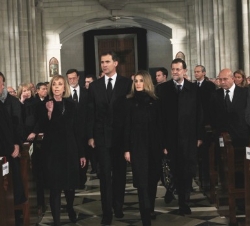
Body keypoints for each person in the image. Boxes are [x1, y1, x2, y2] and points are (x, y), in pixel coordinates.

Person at [88, 51, 132, 225]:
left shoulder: (126, 83)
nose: (104, 65)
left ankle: (118, 205)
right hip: (102, 137)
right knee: (105, 175)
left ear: (115, 63)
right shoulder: (95, 86)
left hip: (120, 138)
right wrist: (91, 136)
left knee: (120, 174)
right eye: (102, 62)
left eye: (107, 62)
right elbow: (91, 113)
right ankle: (107, 211)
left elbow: (129, 113)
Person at [156, 58, 203, 215]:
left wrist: (199, 136)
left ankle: (184, 202)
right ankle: (172, 188)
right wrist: (162, 142)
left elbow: (199, 114)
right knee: (174, 169)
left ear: (184, 71)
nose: (175, 72)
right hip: (170, 138)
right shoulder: (164, 89)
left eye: (178, 69)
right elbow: (160, 118)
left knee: (187, 170)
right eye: (173, 69)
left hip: (188, 137)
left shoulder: (193, 89)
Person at [38, 75, 86, 225]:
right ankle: (57, 220)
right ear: (51, 88)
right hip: (52, 151)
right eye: (54, 84)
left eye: (60, 84)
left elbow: (77, 130)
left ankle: (70, 207)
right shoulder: (45, 104)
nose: (57, 87)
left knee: (70, 186)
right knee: (55, 187)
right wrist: (49, 113)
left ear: (64, 87)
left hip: (70, 149)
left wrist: (81, 153)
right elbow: (43, 127)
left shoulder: (71, 104)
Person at [124, 70, 163, 226]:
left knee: (152, 179)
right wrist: (127, 149)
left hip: (154, 147)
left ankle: (150, 207)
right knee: (141, 182)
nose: (138, 83)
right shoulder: (130, 102)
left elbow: (161, 126)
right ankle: (145, 214)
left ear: (147, 82)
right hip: (137, 147)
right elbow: (127, 127)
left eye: (141, 80)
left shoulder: (155, 102)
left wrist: (164, 146)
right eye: (136, 81)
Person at [211, 68, 249, 147]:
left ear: (232, 78)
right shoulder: (215, 95)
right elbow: (212, 114)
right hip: (222, 136)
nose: (222, 82)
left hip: (242, 136)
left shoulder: (245, 93)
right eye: (220, 79)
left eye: (225, 79)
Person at [194, 65, 216, 191]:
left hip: (207, 122)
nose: (196, 74)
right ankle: (200, 178)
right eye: (195, 72)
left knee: (206, 154)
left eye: (198, 72)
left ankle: (207, 181)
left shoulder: (209, 86)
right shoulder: (193, 86)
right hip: (197, 122)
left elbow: (210, 104)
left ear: (204, 72)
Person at [66, 68, 89, 189]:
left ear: (78, 77)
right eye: (69, 78)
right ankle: (75, 181)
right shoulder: (65, 95)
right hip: (70, 132)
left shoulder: (86, 93)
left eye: (74, 78)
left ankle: (82, 179)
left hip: (84, 132)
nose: (72, 80)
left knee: (85, 157)